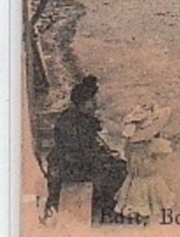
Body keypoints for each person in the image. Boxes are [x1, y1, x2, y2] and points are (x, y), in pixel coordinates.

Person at [40, 75, 127, 224]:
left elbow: (88, 147)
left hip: (72, 162)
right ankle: (107, 211)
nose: (95, 105)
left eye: (94, 100)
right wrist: (104, 157)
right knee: (117, 170)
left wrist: (103, 153)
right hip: (70, 167)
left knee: (116, 165)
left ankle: (108, 207)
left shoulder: (75, 117)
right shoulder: (77, 123)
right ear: (81, 103)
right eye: (91, 101)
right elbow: (80, 152)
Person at [112, 104, 175, 222]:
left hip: (133, 180)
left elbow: (125, 156)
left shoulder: (130, 145)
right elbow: (164, 153)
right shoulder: (153, 145)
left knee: (135, 203)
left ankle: (138, 221)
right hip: (150, 180)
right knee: (150, 204)